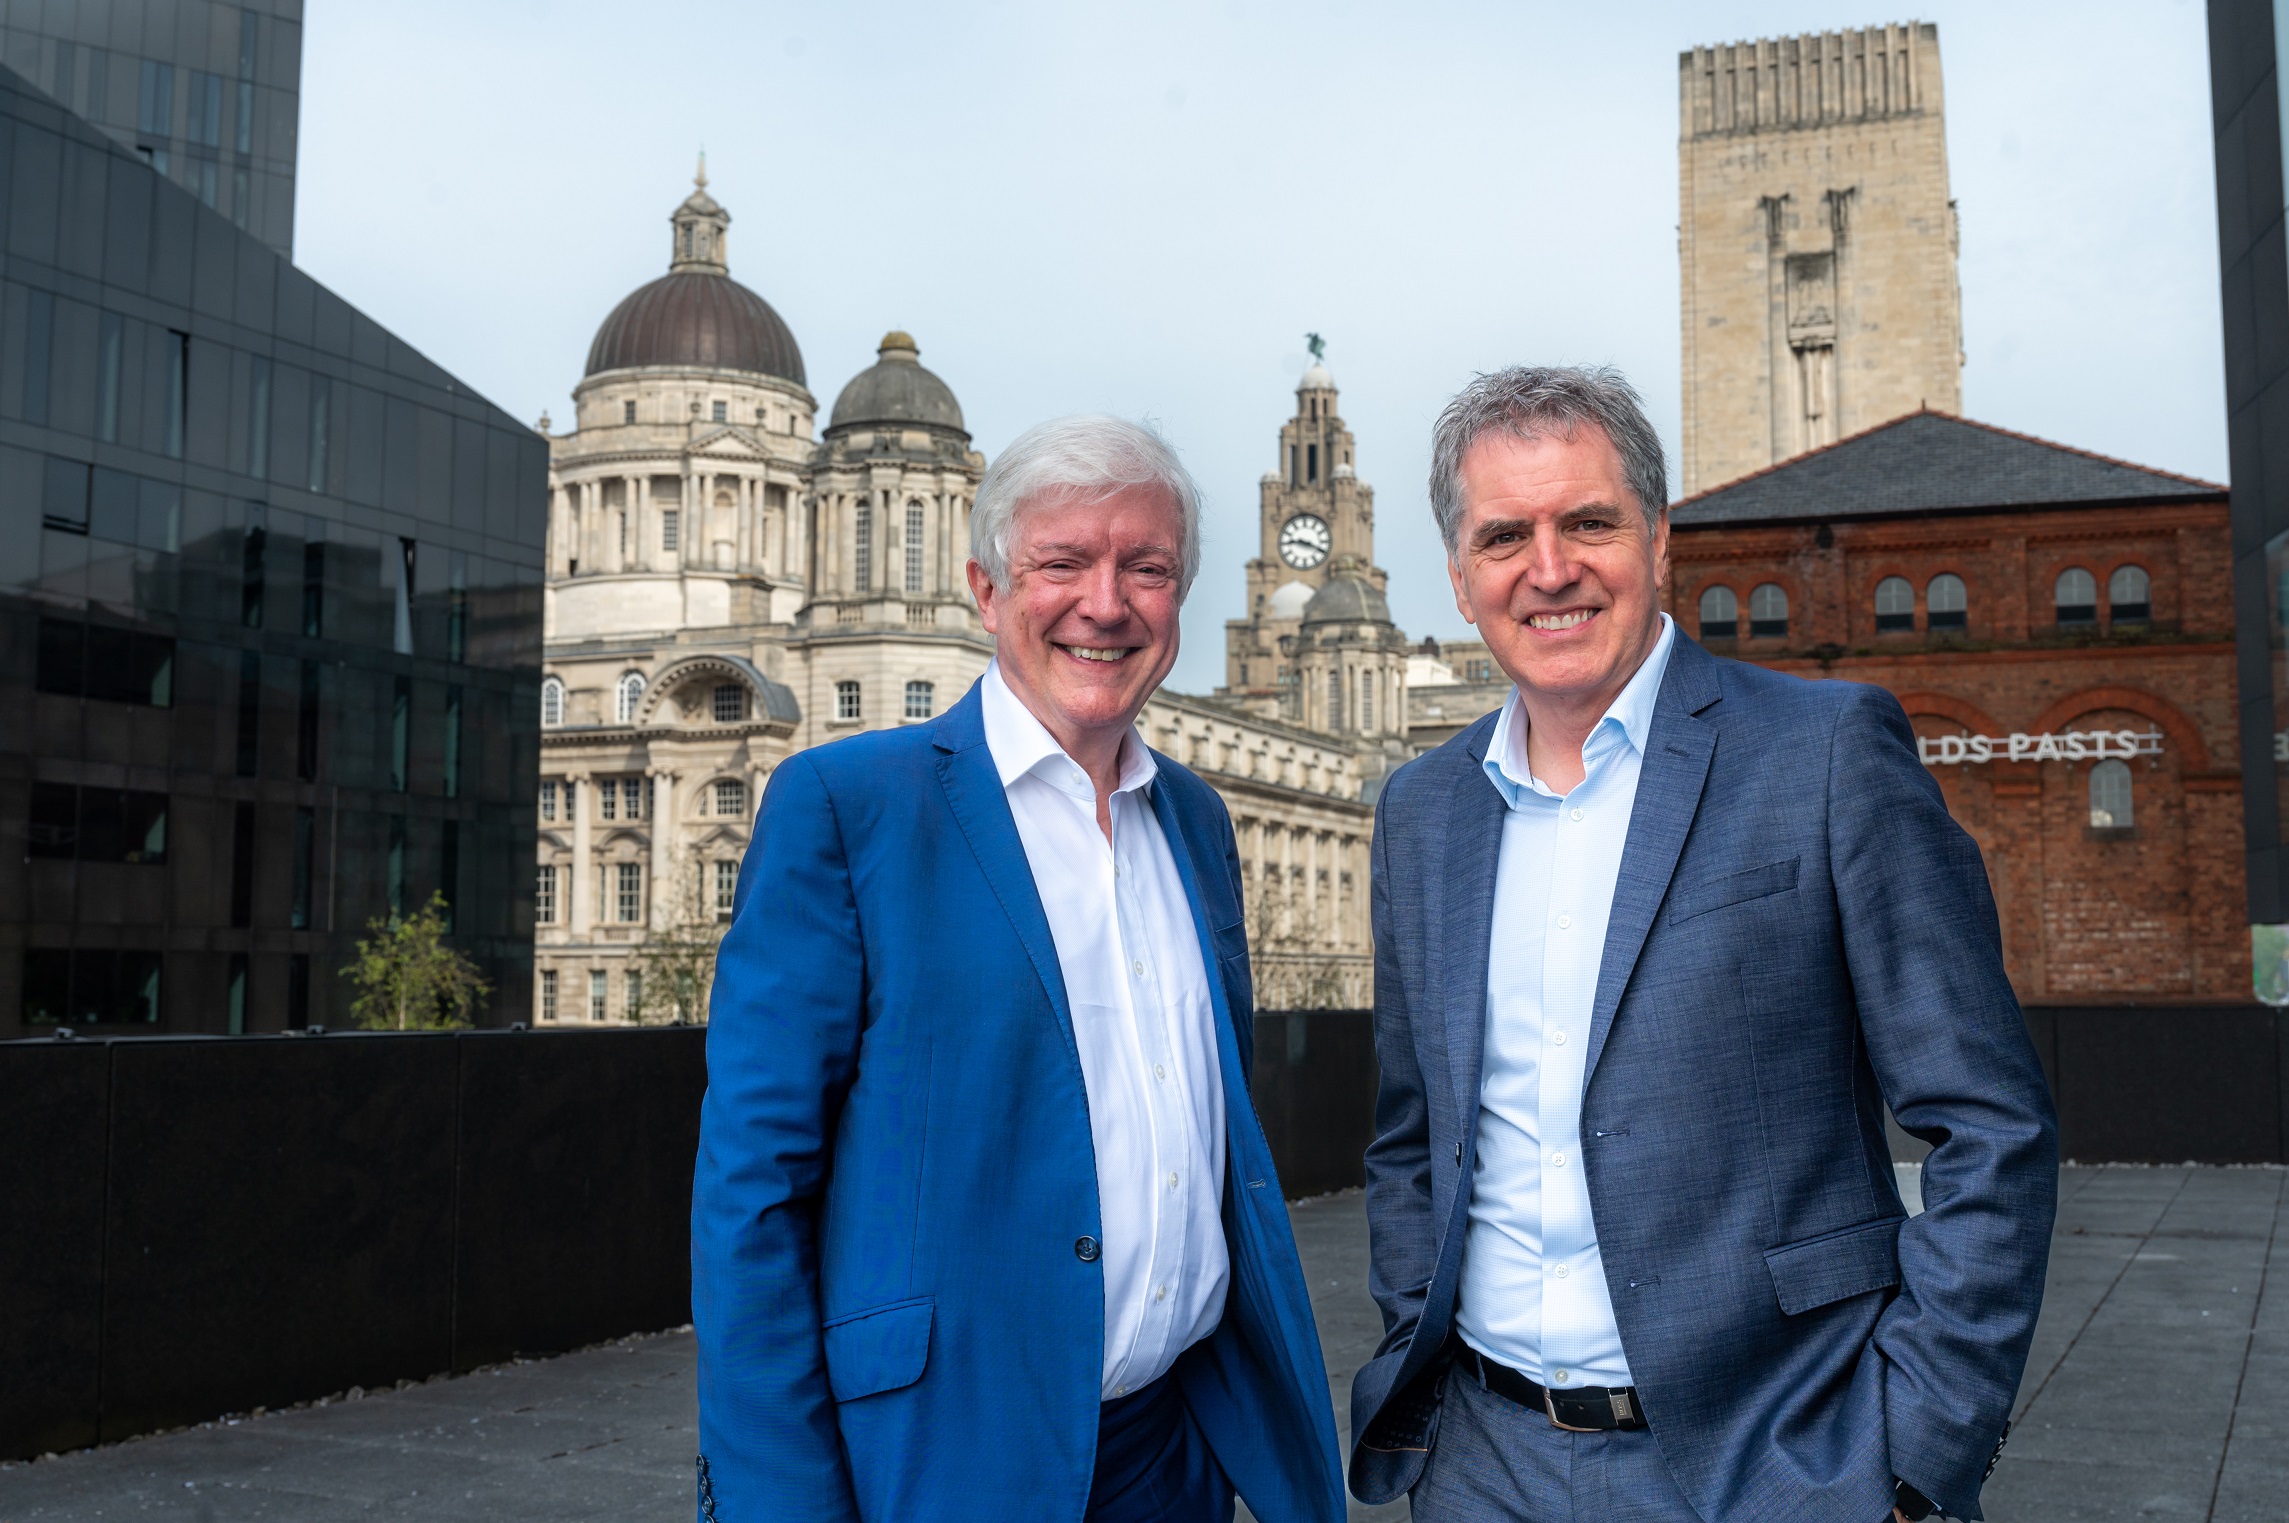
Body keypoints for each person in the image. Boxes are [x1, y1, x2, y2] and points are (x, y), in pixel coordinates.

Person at [1348, 367, 2057, 1523]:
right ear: (1461, 576)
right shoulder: (1423, 809)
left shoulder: (1825, 751)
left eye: (1588, 522)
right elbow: (1410, 1133)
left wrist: (1917, 1452)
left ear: (1659, 538)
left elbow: (1990, 1121)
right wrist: (1412, 1336)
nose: (1550, 568)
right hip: (1481, 1463)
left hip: (1779, 1457)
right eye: (1504, 535)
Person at [691, 415, 1345, 1523]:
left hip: (1173, 1451)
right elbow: (752, 1191)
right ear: (987, 590)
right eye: (1063, 563)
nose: (1106, 603)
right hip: (946, 1454)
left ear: (1181, 598)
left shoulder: (1195, 819)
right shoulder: (846, 806)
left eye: (1146, 567)